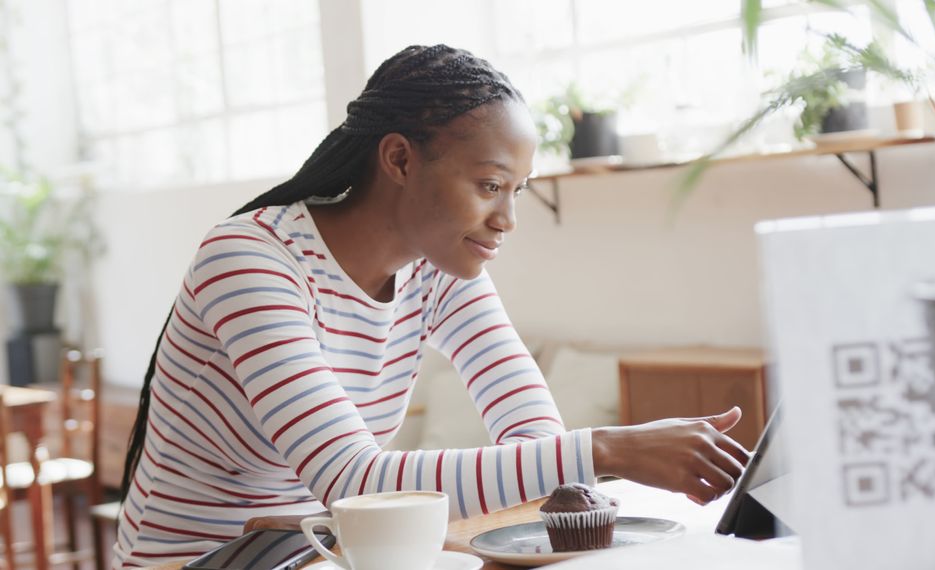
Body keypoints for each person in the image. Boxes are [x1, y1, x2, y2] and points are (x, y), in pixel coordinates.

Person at [114, 44, 749, 567]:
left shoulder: (439, 265)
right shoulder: (252, 259)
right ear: (398, 159)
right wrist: (606, 449)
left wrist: (574, 463)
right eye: (490, 185)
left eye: (518, 192)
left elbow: (531, 429)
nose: (507, 220)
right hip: (198, 560)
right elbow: (355, 484)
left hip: (322, 552)